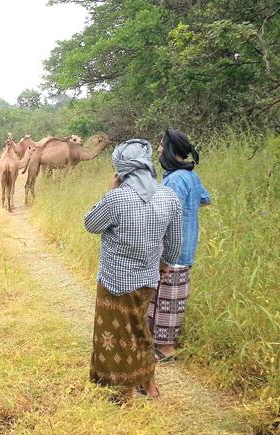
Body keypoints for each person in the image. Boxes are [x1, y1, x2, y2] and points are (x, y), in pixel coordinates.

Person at [84, 139, 182, 402]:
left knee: (116, 334)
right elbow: (175, 242)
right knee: (140, 328)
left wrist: (109, 191)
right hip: (148, 278)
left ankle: (122, 390)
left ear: (121, 168)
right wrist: (164, 265)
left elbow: (91, 224)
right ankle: (149, 386)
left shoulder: (116, 198)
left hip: (114, 281)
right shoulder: (168, 196)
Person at [150, 130, 211, 362]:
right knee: (170, 298)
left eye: (161, 144)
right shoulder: (190, 176)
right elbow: (204, 199)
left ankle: (166, 349)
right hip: (186, 247)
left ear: (170, 149)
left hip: (172, 251)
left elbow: (165, 215)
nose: (158, 149)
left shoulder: (175, 179)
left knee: (168, 300)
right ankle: (159, 345)